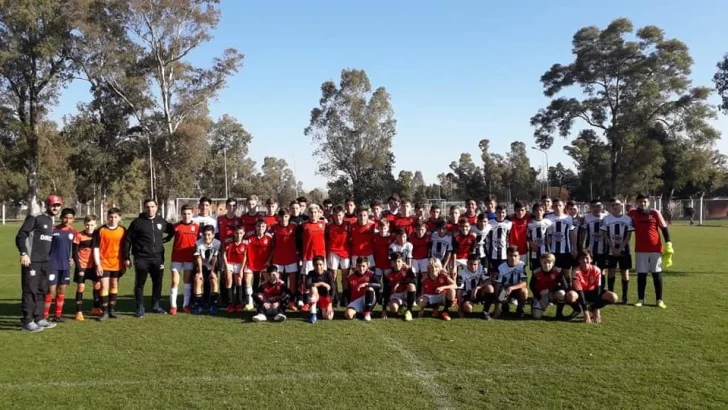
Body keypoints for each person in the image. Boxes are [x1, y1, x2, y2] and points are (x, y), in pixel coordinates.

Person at [16, 195, 63, 332]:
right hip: (32, 261)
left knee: (42, 291)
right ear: (47, 205)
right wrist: (24, 253)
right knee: (30, 291)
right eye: (53, 205)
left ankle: (39, 318)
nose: (55, 208)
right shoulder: (35, 218)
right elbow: (21, 235)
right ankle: (27, 321)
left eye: (58, 205)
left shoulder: (50, 220)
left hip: (44, 262)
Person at [123, 199, 175, 318]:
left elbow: (171, 231)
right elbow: (127, 240)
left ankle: (156, 305)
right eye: (147, 207)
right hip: (141, 258)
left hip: (158, 258)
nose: (150, 209)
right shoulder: (137, 223)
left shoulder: (161, 221)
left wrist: (165, 240)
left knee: (158, 282)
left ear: (156, 207)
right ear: (144, 208)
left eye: (152, 207)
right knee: (140, 283)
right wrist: (126, 257)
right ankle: (140, 306)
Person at [628, 194, 672, 308]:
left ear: (649, 202)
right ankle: (640, 299)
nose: (643, 204)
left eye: (645, 202)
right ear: (637, 202)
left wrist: (669, 243)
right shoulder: (632, 214)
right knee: (641, 275)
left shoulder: (655, 213)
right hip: (640, 249)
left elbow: (664, 228)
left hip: (655, 249)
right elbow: (624, 224)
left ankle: (659, 300)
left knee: (656, 274)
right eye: (640, 201)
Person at [566, 251, 618, 323]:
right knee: (570, 296)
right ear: (579, 260)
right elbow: (580, 292)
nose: (584, 260)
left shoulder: (596, 270)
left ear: (591, 259)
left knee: (613, 297)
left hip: (593, 292)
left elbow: (598, 290)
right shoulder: (576, 271)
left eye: (587, 258)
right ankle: (578, 309)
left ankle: (593, 308)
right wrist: (586, 312)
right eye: (581, 258)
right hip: (581, 293)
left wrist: (596, 309)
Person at [44, 207, 77, 322]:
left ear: (73, 219)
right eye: (65, 217)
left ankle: (57, 316)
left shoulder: (73, 232)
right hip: (52, 264)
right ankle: (45, 316)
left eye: (70, 218)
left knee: (62, 291)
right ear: (61, 217)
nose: (67, 220)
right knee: (51, 291)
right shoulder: (53, 230)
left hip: (65, 266)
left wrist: (73, 258)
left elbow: (77, 248)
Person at [93, 208, 126, 321]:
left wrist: (126, 260)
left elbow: (126, 247)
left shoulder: (123, 230)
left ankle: (112, 310)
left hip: (117, 264)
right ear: (107, 218)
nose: (113, 219)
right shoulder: (101, 230)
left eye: (116, 217)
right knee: (104, 287)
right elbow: (96, 248)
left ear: (119, 218)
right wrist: (98, 264)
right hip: (104, 263)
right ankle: (104, 311)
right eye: (111, 217)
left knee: (114, 286)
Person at [601, 198, 634, 304]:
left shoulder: (628, 219)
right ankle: (611, 295)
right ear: (611, 207)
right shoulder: (606, 219)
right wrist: (612, 247)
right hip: (610, 250)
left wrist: (620, 248)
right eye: (613, 205)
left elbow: (628, 236)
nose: (615, 207)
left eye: (617, 204)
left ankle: (625, 297)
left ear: (622, 205)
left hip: (624, 250)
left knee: (625, 273)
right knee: (611, 272)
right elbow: (605, 235)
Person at [297, 204, 328, 308]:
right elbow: (298, 240)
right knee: (306, 279)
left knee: (321, 278)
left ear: (319, 213)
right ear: (308, 213)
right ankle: (306, 301)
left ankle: (321, 301)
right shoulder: (303, 225)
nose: (313, 214)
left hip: (321, 256)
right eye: (311, 212)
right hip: (308, 256)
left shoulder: (324, 224)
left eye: (315, 212)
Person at [170, 205, 198, 315]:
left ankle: (185, 305)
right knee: (174, 282)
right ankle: (173, 306)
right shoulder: (175, 226)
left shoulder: (196, 227)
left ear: (192, 214)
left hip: (189, 258)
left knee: (187, 282)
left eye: (189, 214)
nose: (186, 216)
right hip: (176, 257)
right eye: (184, 214)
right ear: (181, 214)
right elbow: (167, 237)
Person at [72, 214, 100, 321]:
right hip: (82, 266)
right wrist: (79, 268)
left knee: (97, 286)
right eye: (87, 225)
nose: (89, 227)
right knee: (80, 288)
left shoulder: (97, 235)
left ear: (95, 225)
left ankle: (96, 308)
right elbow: (74, 254)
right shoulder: (79, 235)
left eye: (92, 225)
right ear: (84, 224)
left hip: (94, 266)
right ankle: (78, 312)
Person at [271, 208, 299, 310]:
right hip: (278, 258)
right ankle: (281, 301)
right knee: (279, 282)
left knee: (292, 282)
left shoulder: (294, 227)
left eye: (286, 216)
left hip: (291, 258)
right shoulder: (273, 228)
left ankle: (291, 301)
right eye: (282, 217)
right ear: (278, 217)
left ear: (289, 217)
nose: (283, 219)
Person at [244, 219, 274, 310]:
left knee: (266, 281)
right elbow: (244, 249)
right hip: (250, 263)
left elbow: (273, 249)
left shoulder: (270, 237)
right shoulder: (248, 236)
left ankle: (265, 300)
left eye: (263, 226)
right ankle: (250, 302)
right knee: (247, 280)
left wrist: (268, 261)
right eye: (258, 226)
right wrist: (245, 261)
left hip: (264, 264)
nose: (260, 228)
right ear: (255, 226)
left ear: (266, 227)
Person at [545, 198, 577, 280]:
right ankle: (555, 291)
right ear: (553, 207)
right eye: (555, 206)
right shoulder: (548, 218)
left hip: (566, 250)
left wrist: (575, 248)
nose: (558, 207)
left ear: (563, 206)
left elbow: (572, 233)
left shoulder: (568, 218)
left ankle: (567, 290)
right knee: (554, 273)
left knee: (566, 272)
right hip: (553, 251)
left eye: (560, 205)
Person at [192, 225, 221, 314]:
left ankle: (213, 304)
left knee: (214, 279)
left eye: (209, 235)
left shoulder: (217, 243)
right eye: (205, 234)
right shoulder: (198, 243)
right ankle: (198, 305)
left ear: (213, 235)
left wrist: (212, 272)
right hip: (202, 265)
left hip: (212, 265)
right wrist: (200, 273)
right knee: (198, 279)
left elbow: (215, 258)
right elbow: (199, 258)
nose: (206, 237)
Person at [529, 253, 568, 320]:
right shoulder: (536, 272)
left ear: (553, 263)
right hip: (541, 295)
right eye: (544, 262)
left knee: (562, 293)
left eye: (549, 262)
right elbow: (531, 286)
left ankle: (558, 314)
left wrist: (549, 290)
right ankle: (534, 302)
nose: (547, 264)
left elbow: (565, 286)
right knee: (536, 316)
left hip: (552, 294)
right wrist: (537, 296)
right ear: (541, 262)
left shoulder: (558, 271)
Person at [492, 246, 528, 319]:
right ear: (507, 256)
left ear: (519, 256)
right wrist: (496, 306)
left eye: (515, 256)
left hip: (517, 289)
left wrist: (512, 287)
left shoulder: (522, 265)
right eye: (510, 255)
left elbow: (524, 283)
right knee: (502, 295)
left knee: (524, 291)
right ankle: (504, 306)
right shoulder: (501, 267)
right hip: (505, 289)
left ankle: (520, 310)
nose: (513, 258)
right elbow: (497, 285)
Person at [326, 205, 350, 306]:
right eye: (335, 215)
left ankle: (345, 296)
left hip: (345, 252)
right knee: (333, 276)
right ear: (333, 215)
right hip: (333, 252)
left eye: (339, 215)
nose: (338, 217)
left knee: (345, 276)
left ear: (343, 215)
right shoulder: (329, 226)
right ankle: (335, 297)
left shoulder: (348, 225)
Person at [456, 255, 494, 320]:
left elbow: (489, 281)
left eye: (475, 264)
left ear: (478, 263)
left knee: (490, 288)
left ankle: (485, 312)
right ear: (467, 263)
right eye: (470, 264)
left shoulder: (481, 268)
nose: (473, 266)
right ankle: (466, 306)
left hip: (478, 292)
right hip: (468, 295)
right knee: (468, 309)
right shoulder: (462, 273)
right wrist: (459, 309)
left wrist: (477, 288)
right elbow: (459, 291)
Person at [382, 253, 417, 321]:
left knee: (412, 286)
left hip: (406, 292)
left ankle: (409, 311)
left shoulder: (408, 269)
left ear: (403, 262)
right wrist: (384, 310)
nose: (397, 264)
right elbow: (385, 291)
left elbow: (414, 281)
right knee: (394, 308)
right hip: (396, 295)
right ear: (391, 262)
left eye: (399, 261)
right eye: (394, 261)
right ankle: (401, 305)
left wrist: (399, 283)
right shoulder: (387, 273)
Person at [344, 257, 381, 321]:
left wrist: (366, 284)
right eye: (359, 266)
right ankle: (361, 313)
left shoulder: (371, 275)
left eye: (363, 266)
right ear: (356, 266)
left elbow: (380, 285)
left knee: (369, 289)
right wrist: (349, 305)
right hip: (356, 301)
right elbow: (348, 293)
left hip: (368, 298)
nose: (361, 268)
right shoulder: (350, 277)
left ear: (367, 265)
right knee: (348, 315)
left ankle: (367, 313)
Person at [304, 256, 335, 323]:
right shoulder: (311, 273)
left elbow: (333, 289)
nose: (318, 267)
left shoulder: (328, 274)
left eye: (320, 264)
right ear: (313, 265)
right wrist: (321, 283)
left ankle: (321, 310)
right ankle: (313, 314)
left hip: (325, 298)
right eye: (316, 265)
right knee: (313, 288)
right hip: (315, 297)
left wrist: (330, 304)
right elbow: (308, 285)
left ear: (324, 265)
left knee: (328, 317)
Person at [224, 226, 247, 313]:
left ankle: (239, 303)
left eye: (241, 233)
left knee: (239, 280)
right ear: (234, 233)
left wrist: (241, 269)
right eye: (237, 233)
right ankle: (230, 303)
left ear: (244, 233)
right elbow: (224, 254)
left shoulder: (245, 243)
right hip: (229, 263)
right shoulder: (228, 241)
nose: (238, 235)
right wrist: (226, 266)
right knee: (229, 280)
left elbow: (245, 256)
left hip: (239, 264)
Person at [581, 199, 609, 271]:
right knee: (589, 269)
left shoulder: (607, 217)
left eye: (598, 206)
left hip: (603, 249)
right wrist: (582, 246)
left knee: (601, 270)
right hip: (590, 249)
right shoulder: (587, 218)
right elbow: (583, 232)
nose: (596, 208)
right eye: (593, 206)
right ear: (590, 208)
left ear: (602, 207)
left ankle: (601, 283)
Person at [486, 206, 512, 274]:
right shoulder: (490, 223)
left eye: (503, 212)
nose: (501, 214)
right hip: (492, 254)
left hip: (504, 255)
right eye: (499, 212)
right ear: (496, 213)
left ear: (506, 213)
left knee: (503, 273)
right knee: (492, 275)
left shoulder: (509, 223)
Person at [527, 203, 552, 272]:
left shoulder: (548, 222)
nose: (539, 212)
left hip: (545, 250)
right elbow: (526, 236)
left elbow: (551, 233)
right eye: (536, 210)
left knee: (546, 269)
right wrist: (531, 243)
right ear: (534, 212)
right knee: (535, 270)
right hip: (534, 251)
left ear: (544, 211)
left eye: (541, 210)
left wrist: (549, 239)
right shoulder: (530, 223)